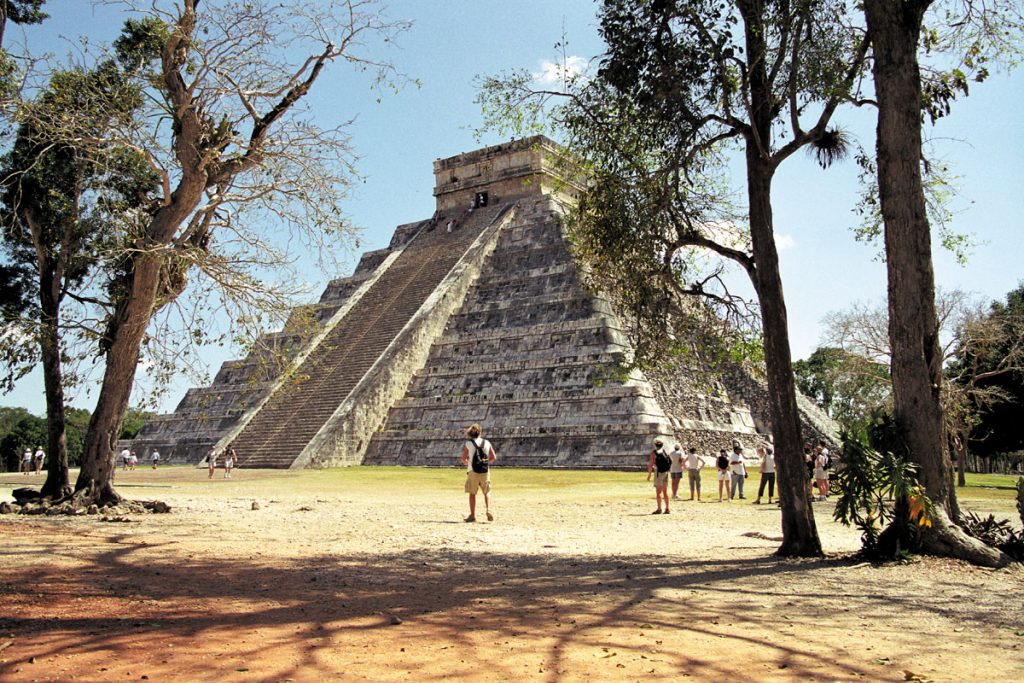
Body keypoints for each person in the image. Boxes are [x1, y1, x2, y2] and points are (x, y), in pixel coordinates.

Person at [460, 424, 496, 522]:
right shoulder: (487, 442)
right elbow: (493, 457)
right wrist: (485, 462)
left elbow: (463, 459)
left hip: (472, 471)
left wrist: (468, 462)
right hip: (485, 470)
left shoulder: (469, 444)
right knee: (487, 492)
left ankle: (472, 515)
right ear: (480, 432)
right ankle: (488, 510)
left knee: (472, 493)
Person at [646, 439, 672, 514]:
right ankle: (667, 508)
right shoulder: (665, 452)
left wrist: (649, 474)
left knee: (658, 492)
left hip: (658, 473)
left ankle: (659, 508)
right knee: (665, 492)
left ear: (655, 445)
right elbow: (671, 461)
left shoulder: (654, 453)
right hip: (666, 473)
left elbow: (651, 464)